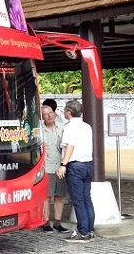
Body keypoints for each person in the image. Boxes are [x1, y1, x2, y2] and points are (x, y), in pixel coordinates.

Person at [56, 100, 94, 243]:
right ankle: (90, 230)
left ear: (69, 112)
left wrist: (63, 164)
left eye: (65, 110)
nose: (64, 112)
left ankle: (82, 232)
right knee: (87, 199)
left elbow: (70, 146)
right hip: (87, 164)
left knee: (78, 200)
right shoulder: (86, 126)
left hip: (75, 165)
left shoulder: (70, 127)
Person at [40, 104, 69, 233]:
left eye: (50, 112)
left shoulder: (63, 128)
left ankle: (58, 222)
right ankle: (45, 221)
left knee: (60, 196)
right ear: (42, 117)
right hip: (47, 167)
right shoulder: (40, 130)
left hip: (60, 166)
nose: (49, 116)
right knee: (46, 196)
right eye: (45, 114)